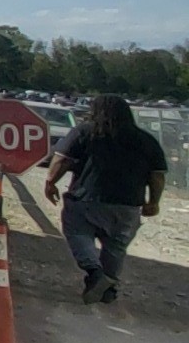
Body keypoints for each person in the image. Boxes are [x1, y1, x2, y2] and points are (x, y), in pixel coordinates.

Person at [43, 95, 167, 304]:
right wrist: (153, 202)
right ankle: (108, 289)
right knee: (115, 247)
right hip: (128, 205)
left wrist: (50, 182)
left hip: (87, 199)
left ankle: (95, 272)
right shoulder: (145, 139)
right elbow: (157, 175)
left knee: (78, 233)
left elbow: (62, 160)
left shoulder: (85, 132)